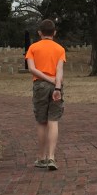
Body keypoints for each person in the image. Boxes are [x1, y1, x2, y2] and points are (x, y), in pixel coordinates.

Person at [25, 19, 66, 171]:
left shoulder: (33, 48)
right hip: (56, 85)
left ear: (39, 33)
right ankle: (51, 157)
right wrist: (57, 86)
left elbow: (32, 69)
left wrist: (47, 79)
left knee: (41, 121)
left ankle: (41, 157)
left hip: (40, 85)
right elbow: (59, 70)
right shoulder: (60, 49)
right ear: (54, 32)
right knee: (53, 120)